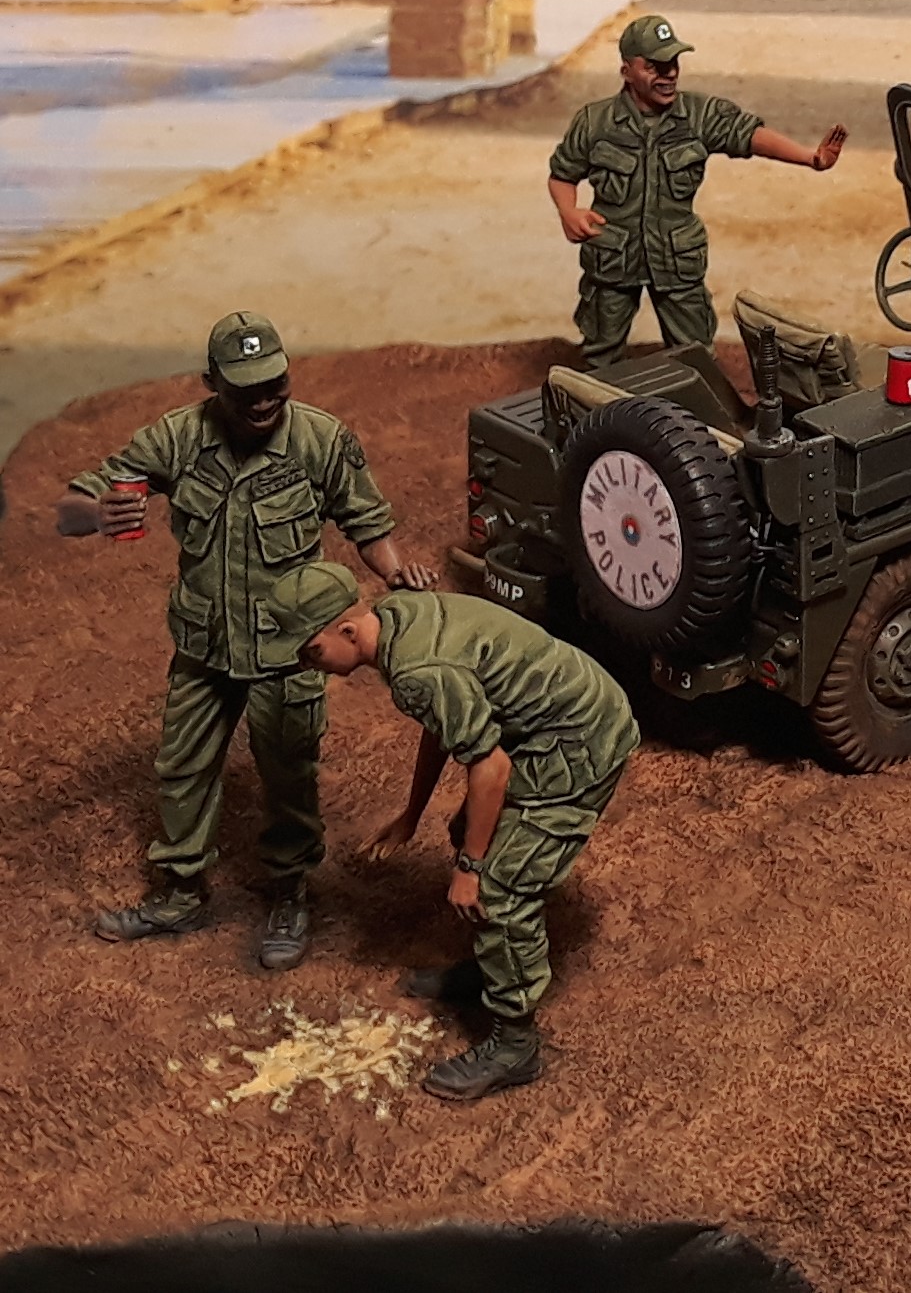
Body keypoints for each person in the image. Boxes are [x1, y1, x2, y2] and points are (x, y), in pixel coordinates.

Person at [55, 313, 436, 965]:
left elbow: (366, 521)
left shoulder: (320, 439)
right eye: (245, 390)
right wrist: (97, 513)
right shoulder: (177, 438)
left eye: (274, 385)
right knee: (182, 766)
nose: (262, 402)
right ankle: (181, 892)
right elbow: (70, 509)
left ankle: (289, 894)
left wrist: (395, 570)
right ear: (212, 383)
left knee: (289, 771)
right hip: (205, 645)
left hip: (289, 648)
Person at [271, 562, 639, 1102]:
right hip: (546, 724)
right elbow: (445, 722)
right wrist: (411, 815)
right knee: (470, 827)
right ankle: (493, 968)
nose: (311, 666)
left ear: (347, 630)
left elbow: (491, 767)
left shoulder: (417, 668)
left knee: (500, 887)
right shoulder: (394, 618)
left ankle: (515, 1045)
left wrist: (470, 869)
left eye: (312, 652)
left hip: (578, 742)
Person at [547, 13, 847, 369]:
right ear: (627, 70)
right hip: (613, 259)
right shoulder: (595, 122)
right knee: (600, 352)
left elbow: (748, 135)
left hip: (677, 260)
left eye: (673, 64)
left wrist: (810, 158)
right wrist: (569, 212)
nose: (669, 74)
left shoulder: (698, 115)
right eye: (654, 67)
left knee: (695, 356)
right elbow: (562, 174)